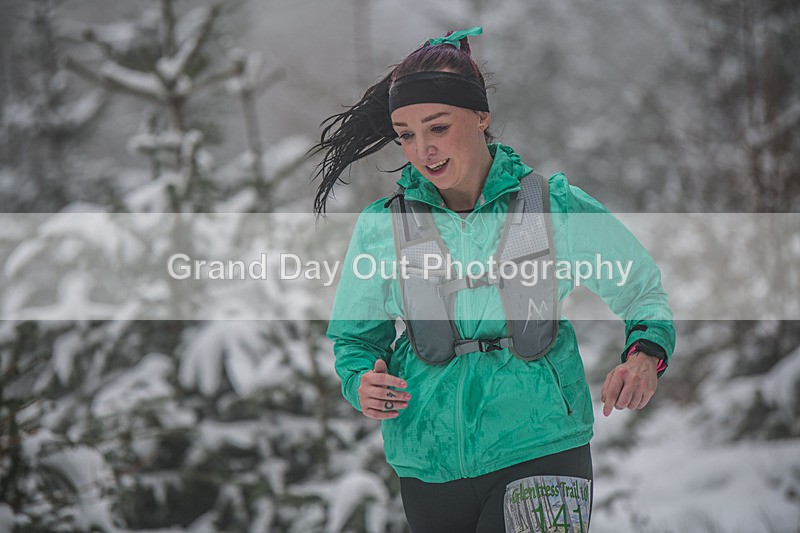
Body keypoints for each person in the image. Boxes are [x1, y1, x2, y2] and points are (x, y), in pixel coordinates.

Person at [310, 26, 675, 533]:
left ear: (482, 118)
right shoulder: (383, 227)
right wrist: (361, 382)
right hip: (428, 462)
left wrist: (645, 355)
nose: (423, 150)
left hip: (541, 446)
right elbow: (355, 339)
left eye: (438, 128)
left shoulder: (551, 205)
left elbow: (642, 290)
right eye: (406, 134)